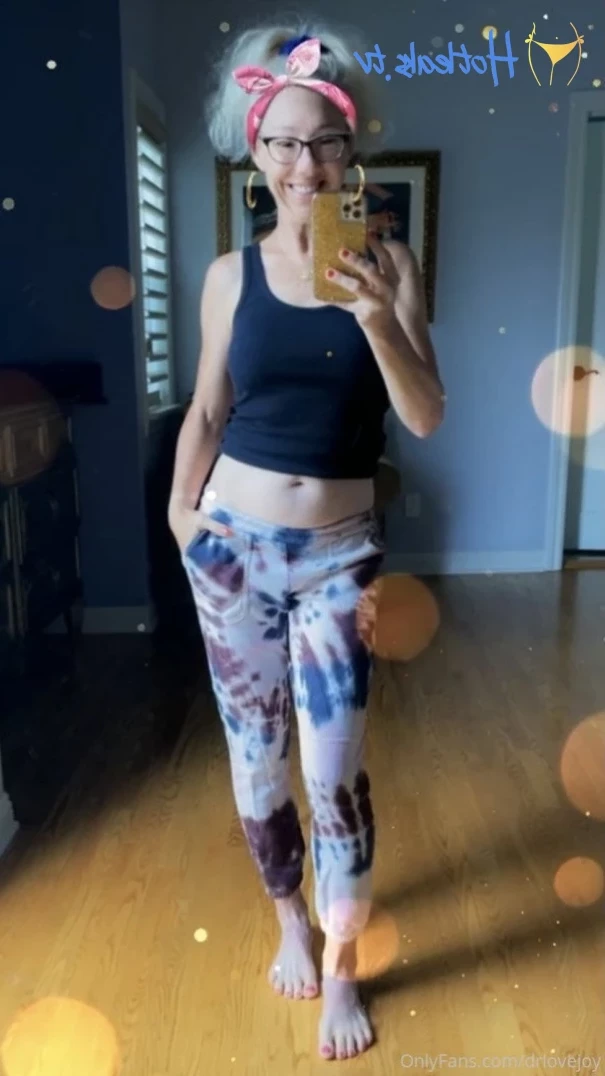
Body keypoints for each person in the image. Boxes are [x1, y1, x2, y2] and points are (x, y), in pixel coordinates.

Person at [168, 20, 444, 1062]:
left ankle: (342, 964)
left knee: (332, 771)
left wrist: (373, 315)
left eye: (322, 142)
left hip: (338, 558)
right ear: (255, 149)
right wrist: (180, 515)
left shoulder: (390, 263)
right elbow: (206, 411)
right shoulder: (226, 277)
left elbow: (424, 416)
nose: (302, 164)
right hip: (231, 551)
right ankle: (289, 919)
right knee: (256, 768)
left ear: (349, 148)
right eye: (281, 142)